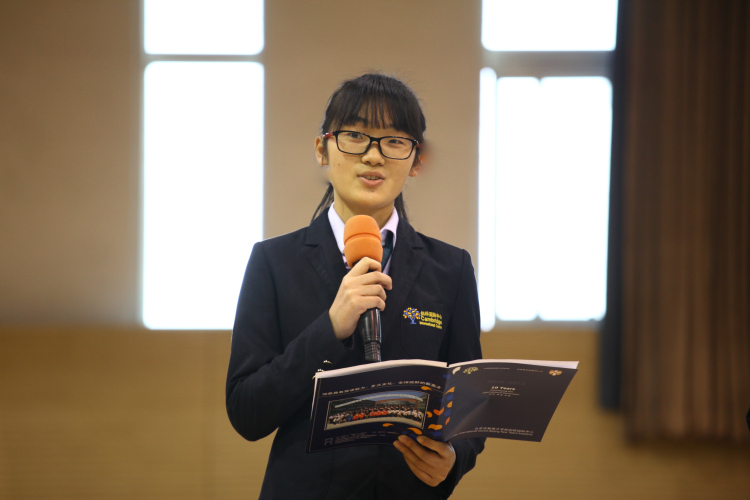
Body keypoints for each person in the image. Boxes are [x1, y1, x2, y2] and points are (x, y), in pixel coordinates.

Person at [226, 73, 484, 499]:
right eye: (355, 136)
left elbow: (468, 404)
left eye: (394, 141)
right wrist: (329, 328)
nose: (373, 155)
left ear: (416, 160)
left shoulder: (451, 268)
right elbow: (246, 411)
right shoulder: (274, 262)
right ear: (321, 149)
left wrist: (455, 456)